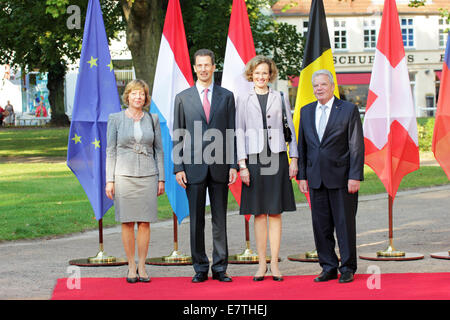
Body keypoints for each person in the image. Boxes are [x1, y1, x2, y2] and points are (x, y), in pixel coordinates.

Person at [173, 49, 238, 283]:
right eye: (199, 65)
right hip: (193, 168)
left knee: (220, 219)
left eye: (207, 65)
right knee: (197, 220)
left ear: (213, 67)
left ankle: (220, 268)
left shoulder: (226, 96)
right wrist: (178, 167)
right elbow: (178, 134)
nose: (203, 69)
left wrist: (233, 164)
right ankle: (200, 267)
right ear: (194, 67)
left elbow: (231, 132)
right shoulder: (182, 98)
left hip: (221, 166)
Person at [296, 69, 364, 283]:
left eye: (323, 84)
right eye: (316, 85)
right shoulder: (306, 112)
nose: (319, 89)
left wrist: (355, 176)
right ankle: (328, 266)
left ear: (332, 86)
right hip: (315, 178)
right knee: (321, 225)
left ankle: (347, 267)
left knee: (344, 224)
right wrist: (302, 176)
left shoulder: (348, 109)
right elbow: (303, 146)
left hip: (343, 178)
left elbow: (356, 145)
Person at [235, 55, 298, 282]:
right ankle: (261, 264)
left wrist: (295, 159)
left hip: (277, 157)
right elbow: (239, 132)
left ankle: (275, 263)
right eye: (257, 73)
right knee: (259, 213)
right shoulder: (243, 99)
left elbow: (289, 127)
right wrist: (242, 165)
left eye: (265, 73)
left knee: (275, 212)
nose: (261, 77)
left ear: (270, 75)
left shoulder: (280, 97)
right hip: (253, 159)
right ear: (251, 75)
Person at [105, 79, 165, 283]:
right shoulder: (115, 118)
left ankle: (142, 265)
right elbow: (111, 150)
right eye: (134, 93)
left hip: (148, 175)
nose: (138, 97)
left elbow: (159, 150)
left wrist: (161, 178)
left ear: (146, 97)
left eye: (141, 94)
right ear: (127, 96)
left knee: (145, 222)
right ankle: (131, 266)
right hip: (123, 176)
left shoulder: (152, 119)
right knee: (127, 221)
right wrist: (109, 180)